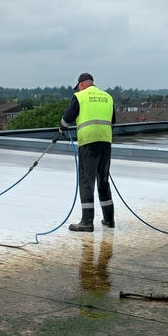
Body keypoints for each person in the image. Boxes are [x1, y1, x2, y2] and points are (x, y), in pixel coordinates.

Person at [59, 73, 116, 232]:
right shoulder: (107, 97)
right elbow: (113, 121)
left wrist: (62, 129)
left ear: (82, 84)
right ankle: (109, 219)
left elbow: (67, 117)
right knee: (103, 180)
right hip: (105, 141)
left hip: (88, 142)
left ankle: (87, 222)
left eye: (78, 86)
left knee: (86, 181)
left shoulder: (80, 96)